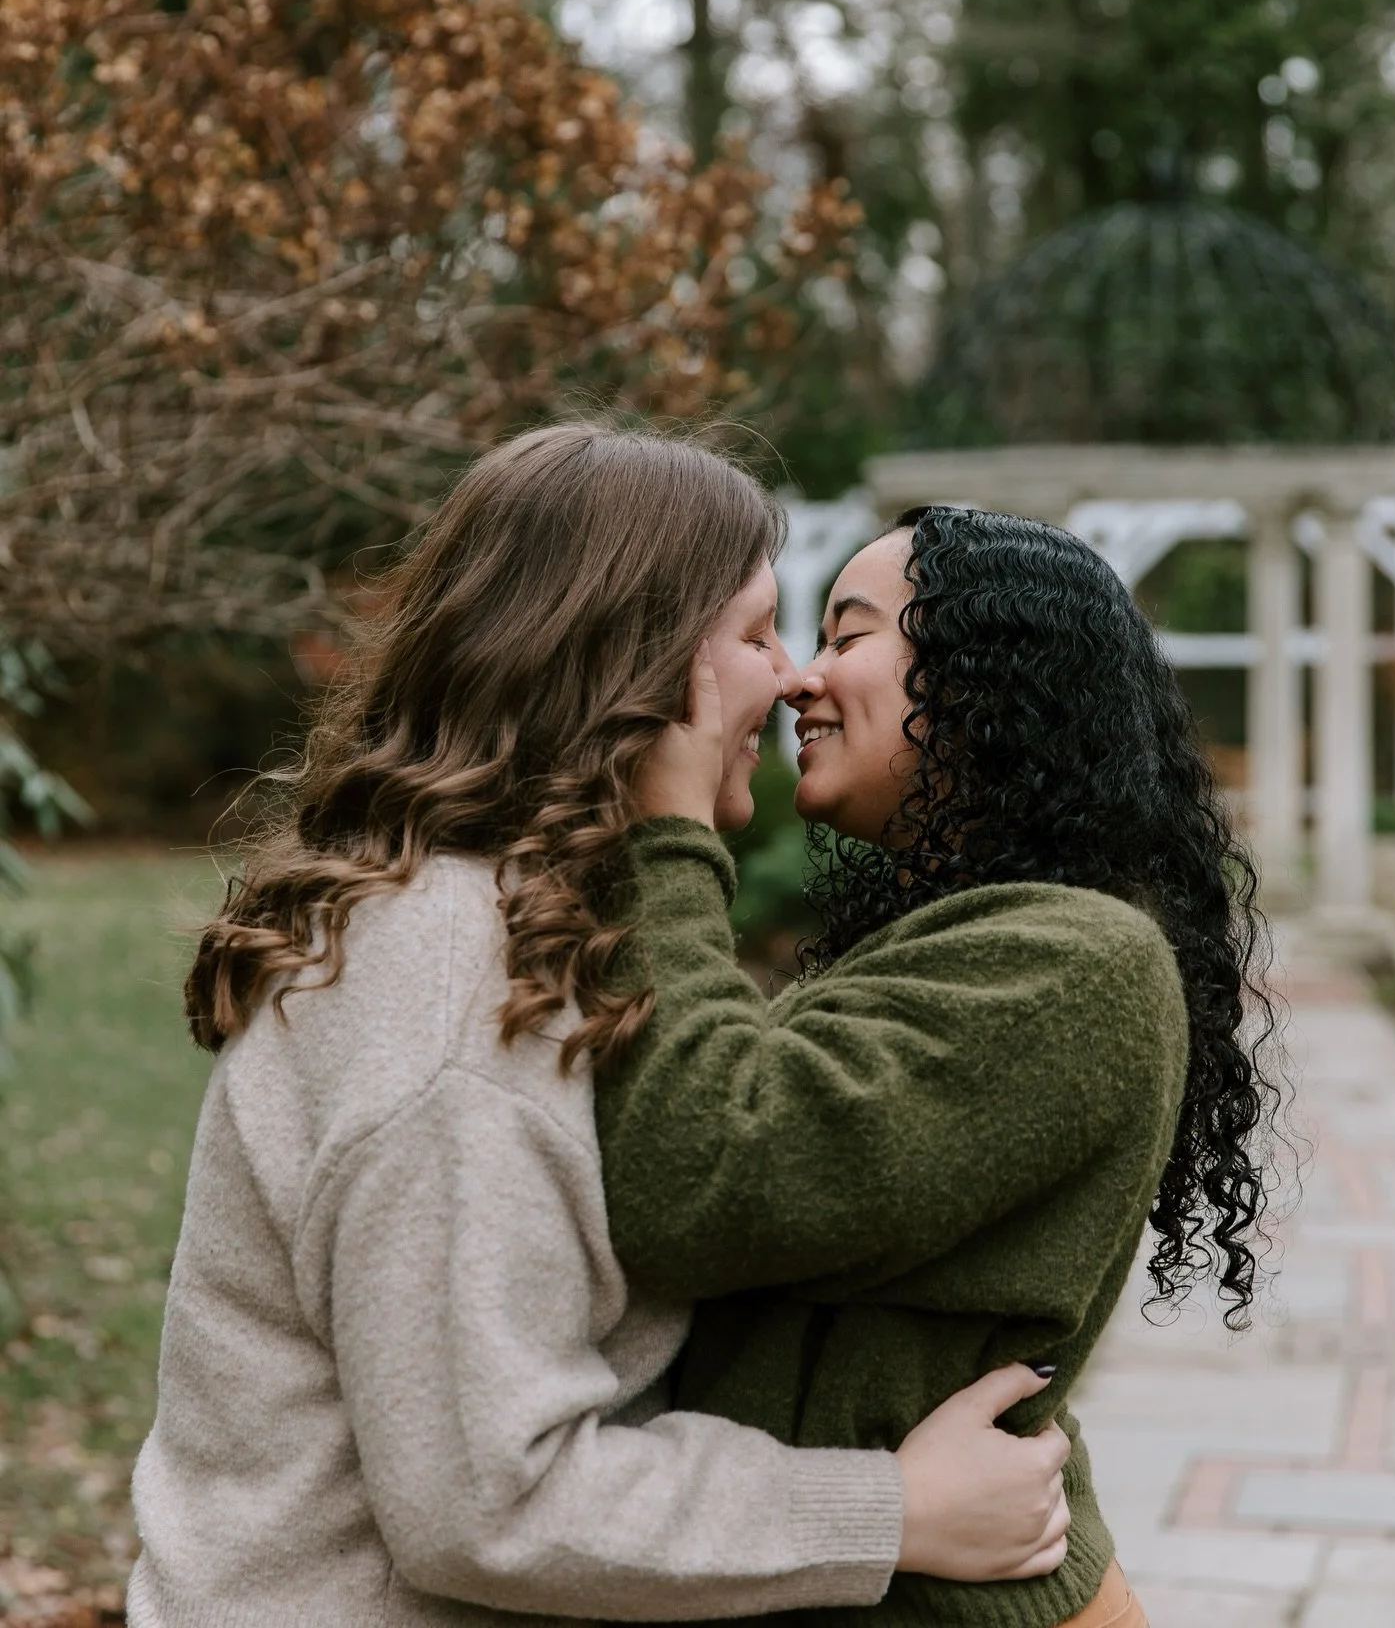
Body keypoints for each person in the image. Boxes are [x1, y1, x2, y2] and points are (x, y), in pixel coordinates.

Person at [127, 427, 1072, 1628]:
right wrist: (889, 1510)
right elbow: (487, 1501)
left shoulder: (504, 931)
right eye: (753, 634)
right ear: (633, 670)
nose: (788, 681)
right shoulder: (447, 988)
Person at [598, 507, 1283, 1628]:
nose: (801, 681)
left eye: (848, 635)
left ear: (982, 680)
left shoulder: (1078, 962)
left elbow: (704, 1172)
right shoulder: (974, 940)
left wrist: (666, 833)